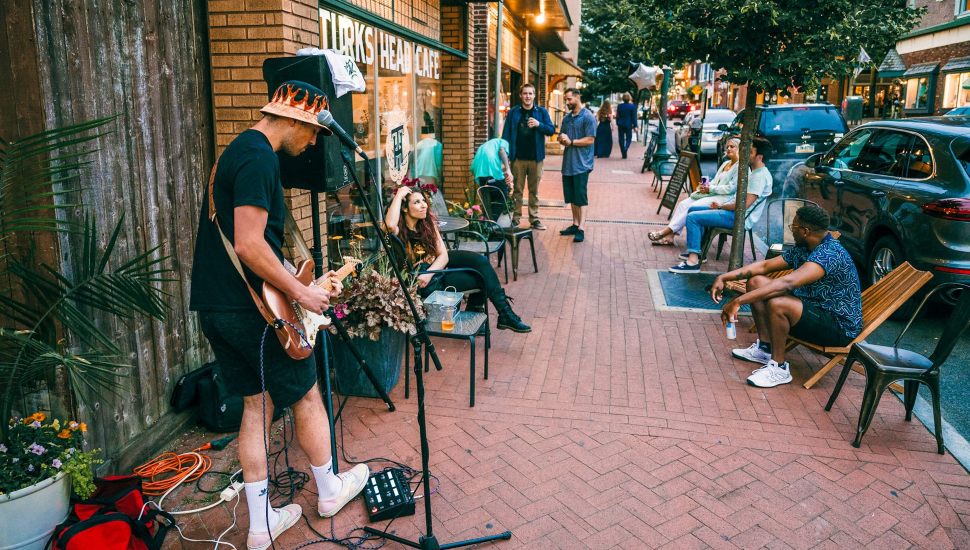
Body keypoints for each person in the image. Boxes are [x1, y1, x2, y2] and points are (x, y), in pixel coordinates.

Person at [189, 81, 369, 550]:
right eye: (311, 132)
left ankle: (259, 526)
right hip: (252, 312)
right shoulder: (259, 157)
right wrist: (302, 295)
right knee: (306, 396)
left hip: (218, 306)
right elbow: (249, 243)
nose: (311, 143)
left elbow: (249, 243)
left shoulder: (237, 153)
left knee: (256, 403)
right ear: (294, 119)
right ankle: (329, 491)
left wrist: (296, 278)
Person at [710, 205, 863, 388]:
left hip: (836, 326)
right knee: (755, 282)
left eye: (794, 227)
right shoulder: (805, 247)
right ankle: (765, 349)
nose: (791, 231)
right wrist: (723, 277)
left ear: (805, 231)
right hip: (812, 308)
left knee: (779, 304)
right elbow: (765, 267)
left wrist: (737, 301)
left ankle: (779, 368)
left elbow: (787, 283)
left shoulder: (828, 254)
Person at [385, 186, 531, 333]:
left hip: (433, 271)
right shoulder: (398, 230)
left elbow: (443, 255)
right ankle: (484, 313)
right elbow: (389, 225)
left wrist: (429, 273)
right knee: (482, 277)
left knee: (480, 262)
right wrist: (399, 195)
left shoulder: (427, 224)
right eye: (417, 202)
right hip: (426, 282)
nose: (423, 205)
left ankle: (504, 314)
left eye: (423, 200)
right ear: (404, 208)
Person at [669, 137, 774, 273]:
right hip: (732, 212)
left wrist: (720, 206)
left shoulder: (759, 177)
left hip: (738, 218)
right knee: (693, 209)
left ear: (760, 157)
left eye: (750, 152)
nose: (745, 154)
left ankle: (693, 262)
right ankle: (698, 251)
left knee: (693, 217)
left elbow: (742, 206)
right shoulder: (756, 172)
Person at [648, 136, 741, 246]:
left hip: (723, 198)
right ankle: (670, 236)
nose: (729, 149)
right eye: (728, 147)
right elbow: (716, 181)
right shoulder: (726, 164)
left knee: (693, 206)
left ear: (739, 149)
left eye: (732, 147)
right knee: (683, 204)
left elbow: (731, 188)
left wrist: (710, 188)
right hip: (712, 193)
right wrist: (706, 186)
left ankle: (665, 232)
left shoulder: (740, 167)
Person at [501, 83, 556, 230]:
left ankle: (534, 218)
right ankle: (516, 218)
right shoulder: (513, 112)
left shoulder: (541, 112)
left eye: (530, 93)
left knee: (534, 191)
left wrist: (539, 124)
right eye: (525, 93)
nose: (527, 96)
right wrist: (505, 157)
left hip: (536, 159)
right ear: (521, 95)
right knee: (517, 190)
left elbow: (551, 130)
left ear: (534, 95)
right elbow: (506, 135)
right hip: (517, 158)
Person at [558, 88, 597, 243]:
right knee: (572, 197)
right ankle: (574, 224)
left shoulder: (588, 117)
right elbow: (561, 134)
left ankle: (581, 228)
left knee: (581, 197)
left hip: (582, 164)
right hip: (568, 163)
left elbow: (590, 139)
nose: (567, 103)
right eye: (566, 100)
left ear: (577, 97)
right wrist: (562, 138)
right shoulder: (567, 118)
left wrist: (571, 142)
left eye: (569, 99)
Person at [470, 137, 515, 216]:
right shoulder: (504, 142)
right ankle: (493, 223)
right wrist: (508, 170)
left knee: (487, 199)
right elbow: (502, 151)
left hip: (478, 170)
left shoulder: (488, 144)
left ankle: (487, 222)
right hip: (489, 168)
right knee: (502, 194)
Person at [616, 92, 638, 159]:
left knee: (621, 138)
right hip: (628, 124)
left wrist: (617, 122)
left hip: (621, 124)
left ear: (623, 98)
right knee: (629, 138)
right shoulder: (632, 106)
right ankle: (626, 148)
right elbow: (634, 117)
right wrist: (635, 126)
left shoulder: (619, 106)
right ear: (629, 98)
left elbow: (617, 116)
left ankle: (623, 151)